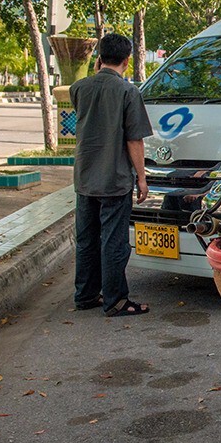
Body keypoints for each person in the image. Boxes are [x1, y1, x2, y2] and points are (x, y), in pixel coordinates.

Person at [70, 33, 153, 317]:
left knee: (87, 239)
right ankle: (116, 300)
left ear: (99, 58)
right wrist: (141, 178)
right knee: (113, 242)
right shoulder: (128, 92)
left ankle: (85, 294)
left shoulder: (79, 88)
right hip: (114, 179)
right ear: (127, 61)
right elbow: (134, 140)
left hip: (85, 177)